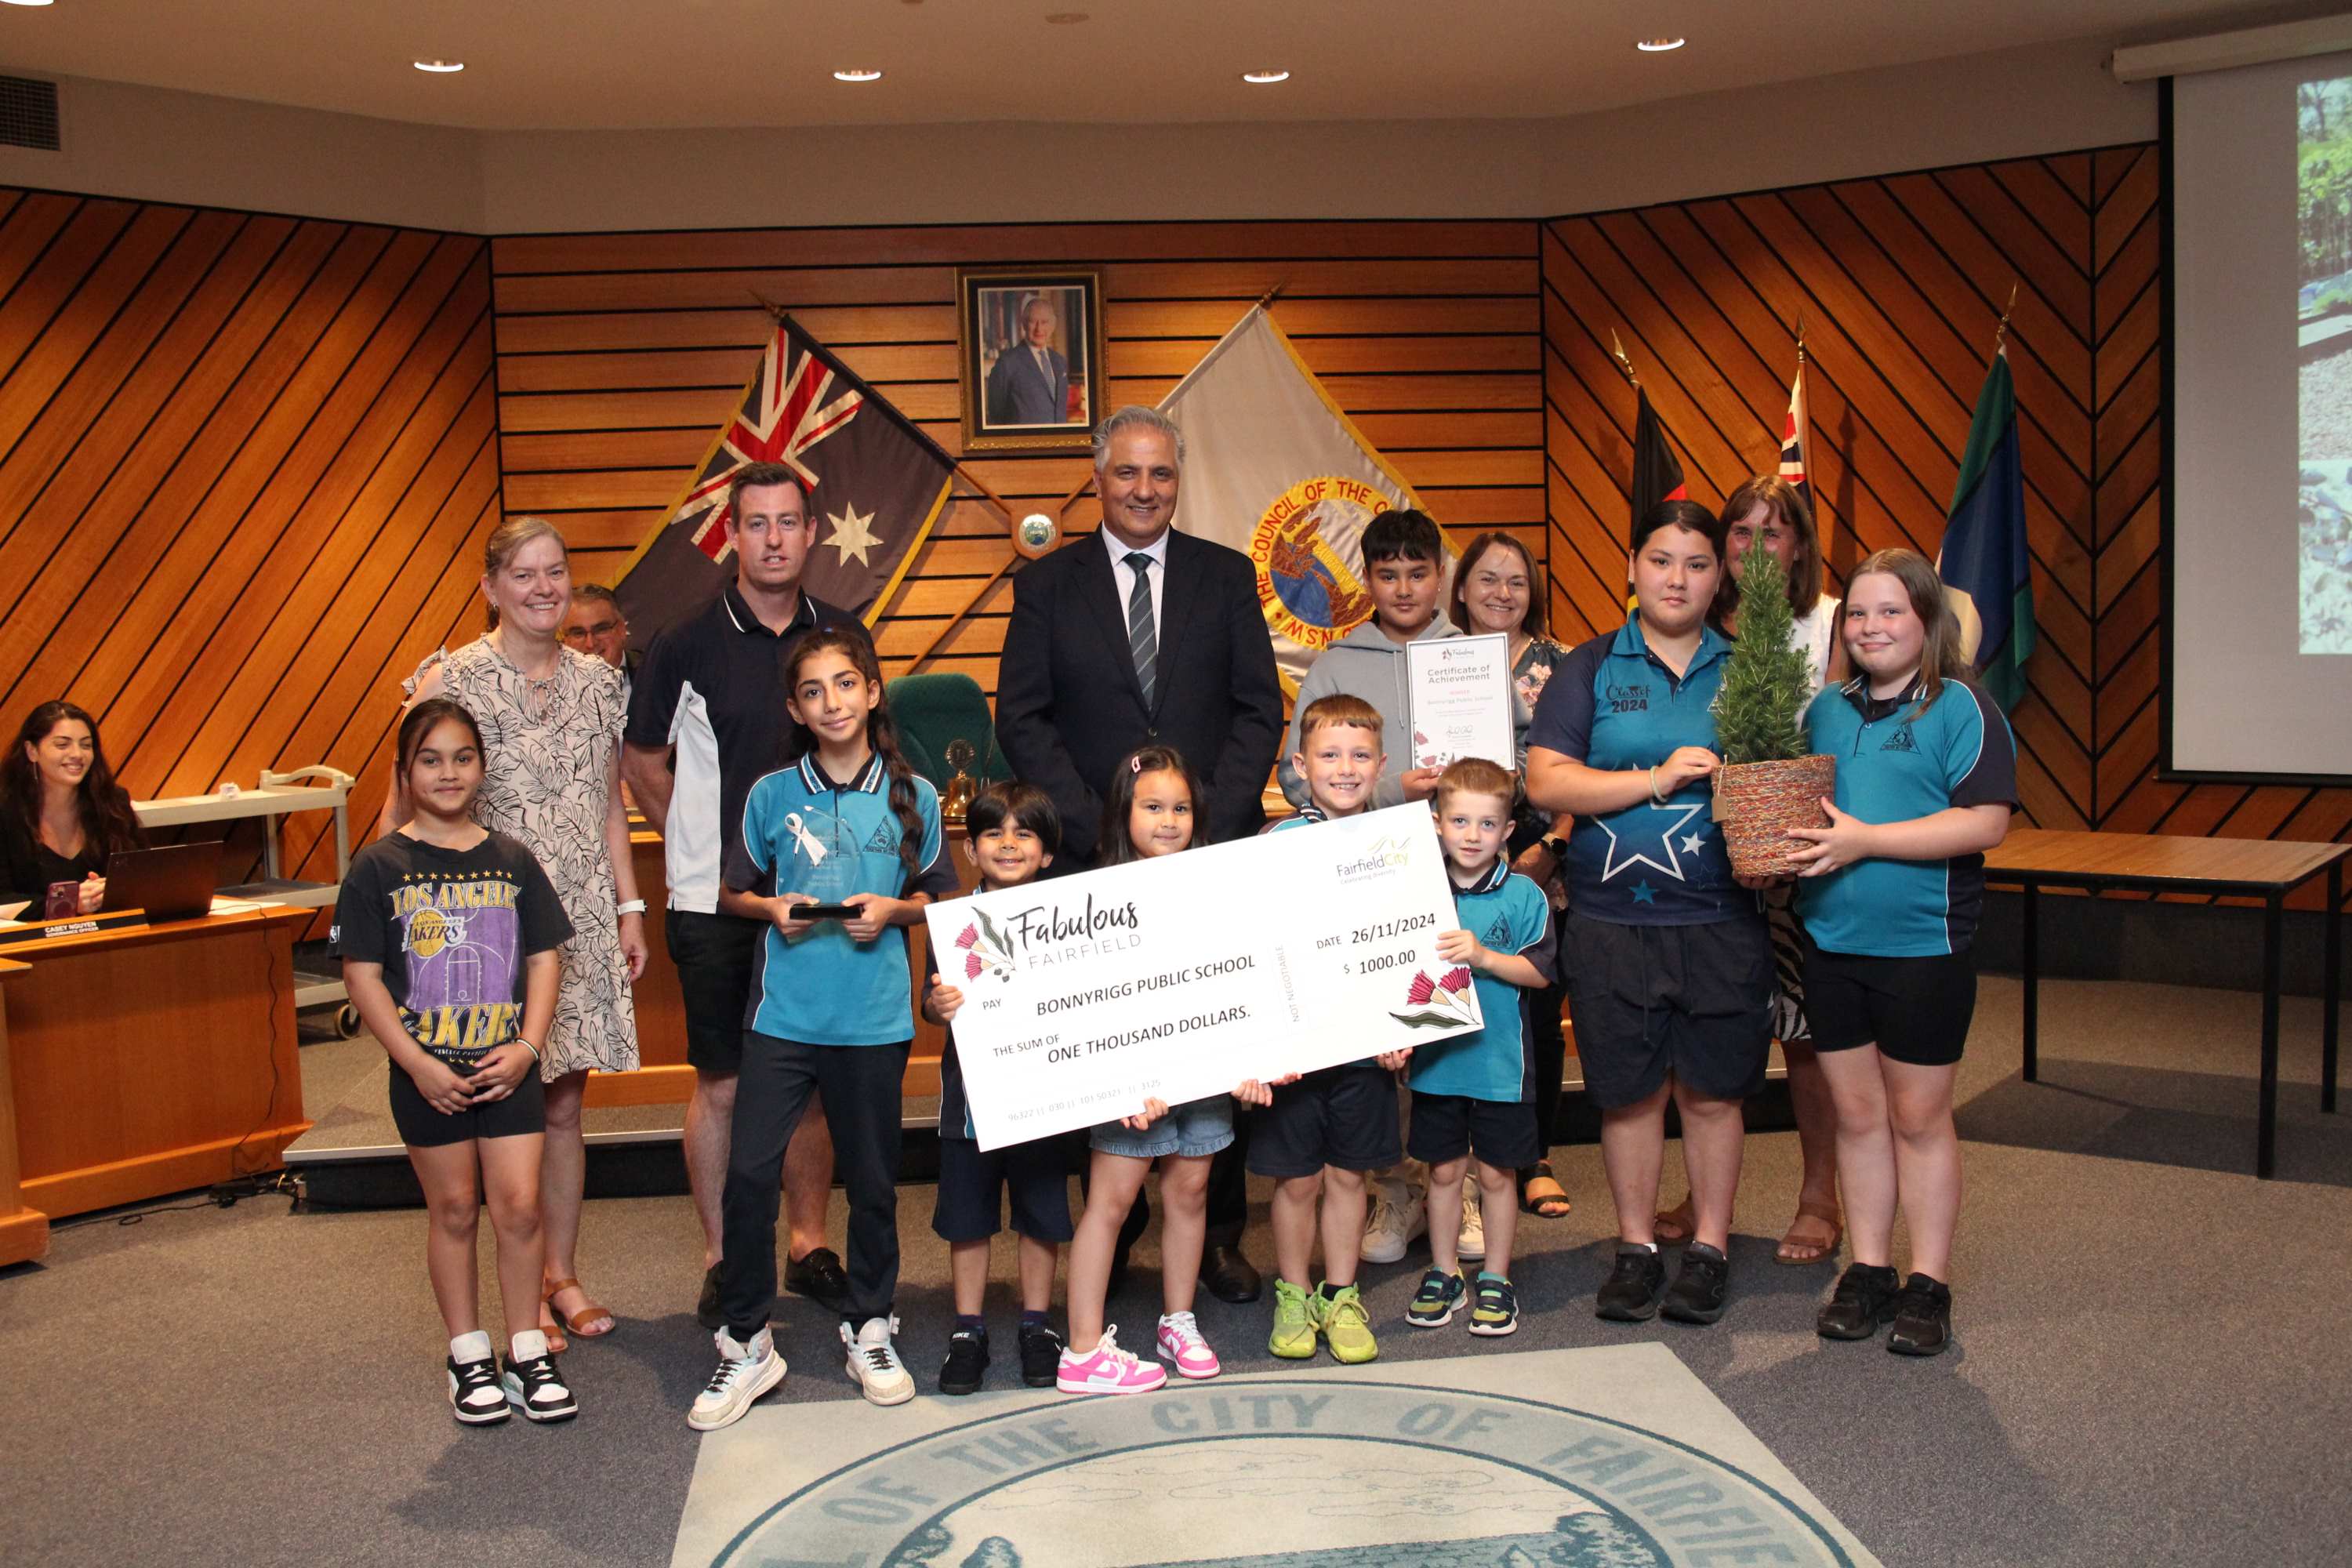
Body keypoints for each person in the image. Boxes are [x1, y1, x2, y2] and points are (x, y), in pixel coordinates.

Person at [997, 405, 1283, 1304]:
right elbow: (1022, 716)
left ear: (1177, 479)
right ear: (1097, 478)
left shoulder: (1226, 575)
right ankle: (1111, 1232)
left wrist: (1207, 821)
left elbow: (1257, 711)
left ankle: (1223, 1235)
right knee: (1113, 1048)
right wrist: (1098, 829)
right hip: (1096, 861)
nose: (1144, 490)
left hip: (1208, 856)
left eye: (1160, 474)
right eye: (1127, 473)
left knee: (1213, 1036)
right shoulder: (1047, 586)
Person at [691, 630, 960, 1428]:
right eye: (814, 690)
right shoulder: (772, 793)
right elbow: (733, 890)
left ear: (874, 693)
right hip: (785, 1017)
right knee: (748, 1175)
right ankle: (747, 1339)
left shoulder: (917, 796)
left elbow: (944, 896)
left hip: (873, 1021)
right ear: (795, 707)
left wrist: (899, 909)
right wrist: (770, 906)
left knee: (874, 1181)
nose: (832, 701)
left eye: (847, 684)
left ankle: (871, 1322)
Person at [389, 517, 644, 1355]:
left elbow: (610, 803)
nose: (544, 588)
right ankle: (512, 1291)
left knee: (564, 1099)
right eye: (525, 574)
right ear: (492, 587)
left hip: (575, 913)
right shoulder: (451, 677)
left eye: (556, 572)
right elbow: (409, 803)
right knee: (500, 1100)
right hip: (481, 927)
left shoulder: (602, 683)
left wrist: (629, 906)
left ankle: (557, 1274)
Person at [623, 463, 866, 1330]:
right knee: (723, 1082)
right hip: (715, 904)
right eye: (756, 523)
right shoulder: (685, 641)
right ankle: (726, 1255)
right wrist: (701, 844)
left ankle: (807, 1242)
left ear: (809, 531)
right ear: (734, 534)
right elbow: (643, 760)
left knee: (808, 1085)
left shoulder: (842, 630)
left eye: (788, 522)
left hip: (823, 902)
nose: (773, 538)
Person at [1525, 499, 1774, 1329]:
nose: (1678, 577)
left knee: (1712, 1092)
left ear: (1719, 575)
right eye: (1662, 560)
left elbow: (1780, 781)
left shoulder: (1750, 667)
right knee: (1626, 1094)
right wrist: (1656, 779)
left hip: (1719, 919)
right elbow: (1548, 781)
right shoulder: (1590, 667)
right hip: (1609, 920)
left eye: (1697, 563)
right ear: (1633, 568)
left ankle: (1708, 1247)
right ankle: (1635, 1247)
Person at [1788, 548, 2015, 1356]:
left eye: (1892, 611)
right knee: (1856, 1115)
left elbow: (1985, 822)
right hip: (1831, 944)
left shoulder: (1962, 707)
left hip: (1926, 945)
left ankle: (1929, 1280)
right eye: (1858, 612)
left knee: (1919, 1117)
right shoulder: (1825, 711)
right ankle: (1870, 1268)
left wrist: (1865, 841)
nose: (1872, 625)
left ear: (1927, 621)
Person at [335, 699, 578, 1425]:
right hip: (428, 1075)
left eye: (463, 758)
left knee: (520, 1209)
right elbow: (362, 976)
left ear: (482, 767)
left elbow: (543, 957)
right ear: (405, 773)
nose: (449, 773)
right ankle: (469, 1353)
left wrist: (530, 1048)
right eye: (431, 760)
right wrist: (416, 1064)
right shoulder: (378, 867)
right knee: (453, 1209)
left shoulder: (511, 859)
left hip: (509, 1069)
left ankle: (526, 1348)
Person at [1655, 476, 1849, 1265]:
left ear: (1798, 544)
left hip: (1802, 856)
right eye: (1741, 532)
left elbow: (1837, 733)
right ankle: (1706, 1194)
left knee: (1804, 1038)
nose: (1755, 548)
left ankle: (1818, 1195)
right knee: (1714, 1027)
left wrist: (1781, 832)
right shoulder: (1695, 619)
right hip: (1705, 857)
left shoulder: (1830, 621)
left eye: (1774, 533)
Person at [1276, 506, 1458, 1271]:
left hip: (1455, 868)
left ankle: (1452, 1180)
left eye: (1419, 572)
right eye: (1388, 574)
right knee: (1377, 1043)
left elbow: (1514, 763)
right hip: (1361, 874)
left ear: (1439, 575)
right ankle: (1393, 1185)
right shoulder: (1337, 660)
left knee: (1441, 1041)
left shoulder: (1470, 654)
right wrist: (1392, 793)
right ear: (1370, 580)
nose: (1405, 586)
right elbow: (1295, 775)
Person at [1057, 746, 1251, 1395]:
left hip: (1201, 1080)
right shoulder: (1096, 897)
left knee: (1189, 1193)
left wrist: (1249, 1062)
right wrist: (1119, 1084)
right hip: (1131, 1090)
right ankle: (1083, 1348)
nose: (1168, 820)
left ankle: (1178, 1318)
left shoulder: (1220, 887)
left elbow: (1238, 981)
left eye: (1181, 808)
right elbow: (1087, 1003)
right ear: (1124, 812)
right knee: (1109, 1204)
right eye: (1152, 807)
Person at [1251, 696, 1406, 1367]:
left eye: (1360, 755)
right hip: (1294, 1052)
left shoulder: (1400, 844)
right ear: (1300, 765)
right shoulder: (1274, 845)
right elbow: (1254, 946)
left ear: (1382, 764)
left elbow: (1413, 944)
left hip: (1366, 1048)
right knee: (1297, 1181)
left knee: (1349, 1176)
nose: (1345, 768)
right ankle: (1294, 1291)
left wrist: (1407, 1028)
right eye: (1329, 755)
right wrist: (1263, 1044)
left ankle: (1341, 1294)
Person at [922, 782, 1075, 1395]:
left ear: (1047, 854)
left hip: (1045, 1093)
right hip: (971, 1099)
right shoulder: (952, 923)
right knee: (969, 1216)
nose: (1008, 844)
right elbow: (929, 1012)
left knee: (1041, 1209)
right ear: (971, 849)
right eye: (993, 833)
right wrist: (939, 1003)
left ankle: (1038, 1323)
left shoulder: (1071, 921)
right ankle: (968, 1327)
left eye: (1024, 833)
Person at [1403, 757, 1555, 1339]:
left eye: (1487, 824)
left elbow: (1541, 975)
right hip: (1437, 1067)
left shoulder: (1524, 897)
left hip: (1502, 1068)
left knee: (1496, 1176)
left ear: (1507, 831)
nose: (1472, 836)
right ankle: (1443, 1271)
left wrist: (1484, 957)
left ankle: (1495, 1276)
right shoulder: (1417, 892)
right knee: (1441, 1174)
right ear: (1437, 823)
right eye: (1460, 821)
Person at [1447, 531, 1574, 1225]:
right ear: (1461, 588)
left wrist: (1553, 845)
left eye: (1517, 581)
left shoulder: (1564, 665)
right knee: (1452, 994)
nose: (1502, 592)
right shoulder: (1434, 658)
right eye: (1488, 579)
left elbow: (1586, 762)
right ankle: (1455, 1160)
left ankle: (1534, 1156)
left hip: (1538, 850)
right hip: (1453, 846)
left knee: (1534, 1007)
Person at [1, 700, 146, 915]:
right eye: (62, 745)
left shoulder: (113, 802)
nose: (77, 754)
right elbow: (3, 901)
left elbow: (145, 875)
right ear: (32, 751)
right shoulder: (6, 810)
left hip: (111, 937)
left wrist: (112, 891)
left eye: (86, 745)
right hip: (32, 943)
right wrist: (67, 902)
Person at [985, 295, 1071, 426]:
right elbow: (996, 415)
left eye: (1044, 322)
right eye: (1033, 321)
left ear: (1052, 325)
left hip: (1059, 442)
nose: (1039, 329)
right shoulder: (1007, 364)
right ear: (1024, 324)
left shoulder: (1060, 362)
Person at [561, 582, 637, 683]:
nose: (590, 644)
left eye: (600, 629)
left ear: (621, 629)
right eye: (578, 633)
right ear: (565, 640)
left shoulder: (656, 674)